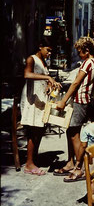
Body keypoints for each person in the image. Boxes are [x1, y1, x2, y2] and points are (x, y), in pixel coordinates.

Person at [53, 37, 94, 176]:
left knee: (74, 134)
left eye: (80, 52)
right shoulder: (90, 62)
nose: (78, 54)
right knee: (70, 131)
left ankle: (79, 167)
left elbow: (76, 83)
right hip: (81, 100)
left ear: (87, 50)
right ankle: (71, 162)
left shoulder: (88, 63)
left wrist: (63, 101)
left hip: (81, 101)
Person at [20, 37, 61, 175]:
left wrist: (50, 86)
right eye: (48, 50)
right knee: (33, 130)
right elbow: (27, 74)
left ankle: (33, 160)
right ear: (40, 47)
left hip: (41, 99)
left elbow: (44, 78)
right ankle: (29, 164)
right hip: (32, 99)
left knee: (39, 130)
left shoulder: (43, 62)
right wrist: (48, 78)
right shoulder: (31, 59)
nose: (49, 54)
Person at [63, 98, 94, 183]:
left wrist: (79, 161)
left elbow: (83, 146)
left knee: (91, 180)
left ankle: (91, 195)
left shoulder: (87, 129)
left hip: (91, 158)